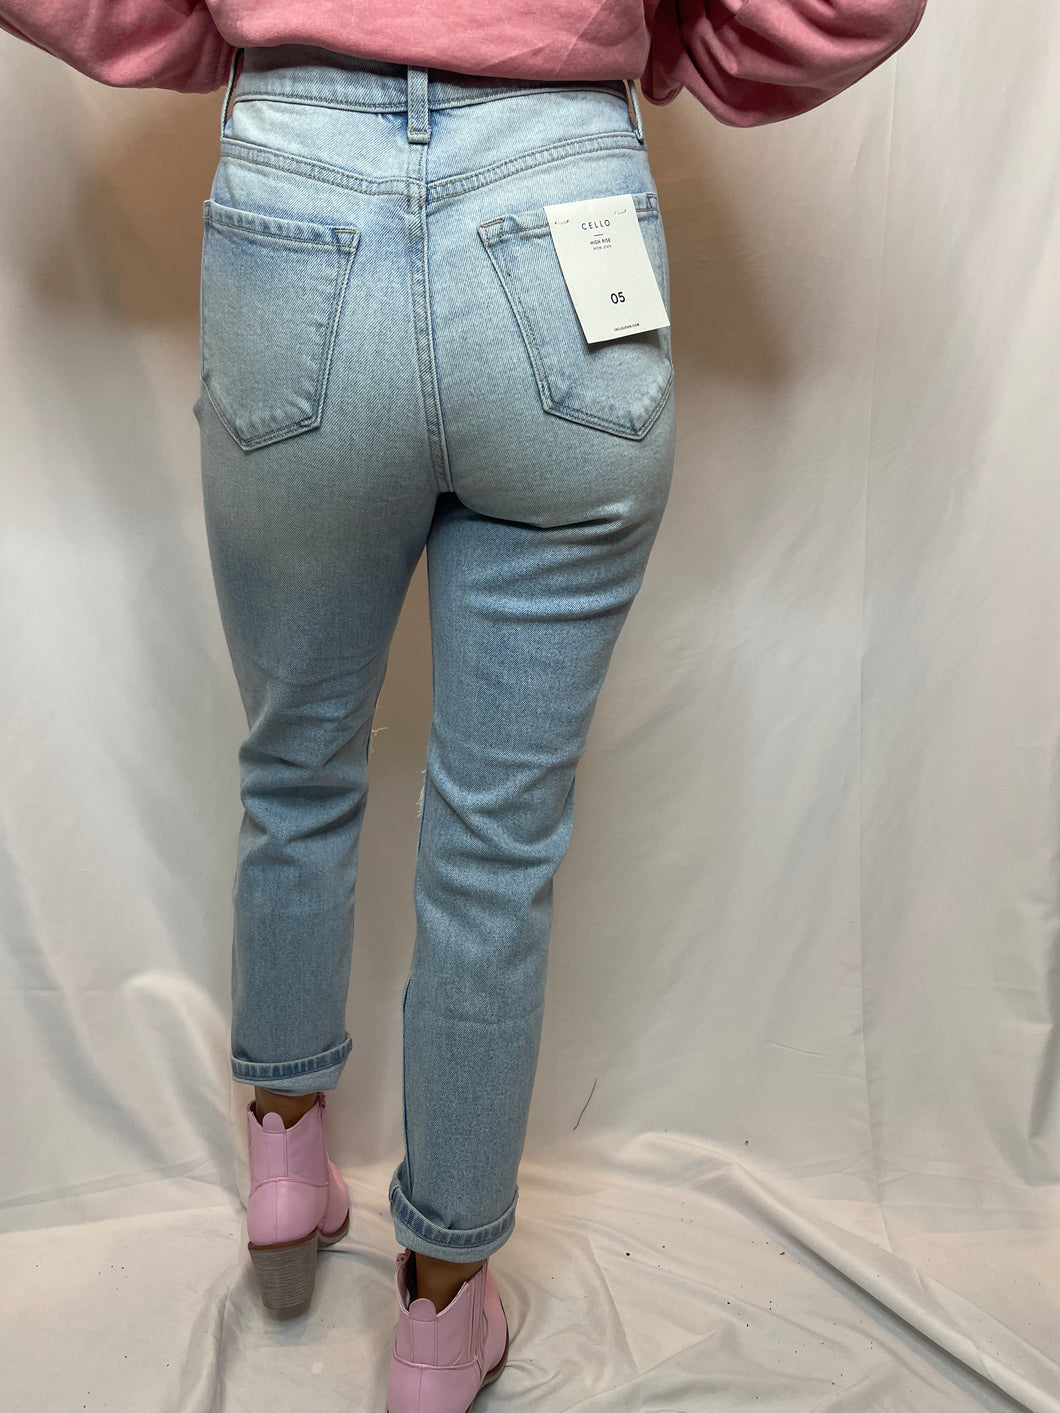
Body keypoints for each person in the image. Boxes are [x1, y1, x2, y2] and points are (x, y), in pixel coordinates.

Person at [0, 7, 928, 1411]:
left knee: (294, 762)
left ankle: (286, 1163)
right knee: (496, 848)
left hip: (294, 196)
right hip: (564, 203)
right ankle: (439, 1316)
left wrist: (241, 28)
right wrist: (651, 40)